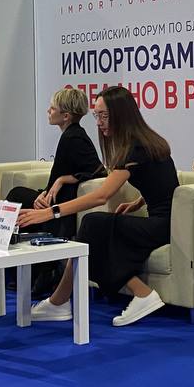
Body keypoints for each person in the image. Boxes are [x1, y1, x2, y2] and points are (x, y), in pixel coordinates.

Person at [17, 86, 176, 328]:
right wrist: (138, 202)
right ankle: (60, 300)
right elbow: (162, 183)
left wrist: (49, 212)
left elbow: (101, 196)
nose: (99, 122)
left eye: (104, 115)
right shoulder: (145, 142)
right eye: (97, 115)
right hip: (163, 221)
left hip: (163, 226)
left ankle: (138, 294)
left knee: (93, 224)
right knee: (95, 229)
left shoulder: (135, 148)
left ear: (121, 114)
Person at [6, 87, 103, 294]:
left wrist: (61, 180)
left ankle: (36, 270)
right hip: (55, 199)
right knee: (19, 196)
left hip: (62, 206)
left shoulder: (73, 138)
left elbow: (98, 172)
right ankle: (31, 271)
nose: (48, 111)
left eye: (52, 108)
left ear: (66, 116)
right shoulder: (71, 135)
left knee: (16, 197)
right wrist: (50, 187)